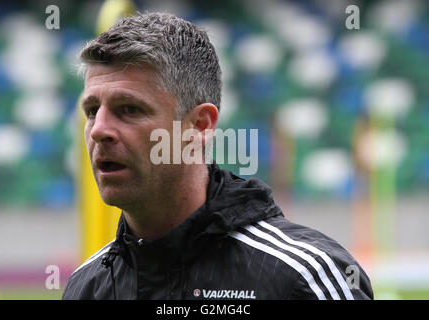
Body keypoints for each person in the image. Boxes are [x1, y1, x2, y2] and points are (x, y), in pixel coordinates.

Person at [62, 12, 373, 300]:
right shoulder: (85, 287)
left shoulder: (303, 278)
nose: (98, 129)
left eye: (129, 109)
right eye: (91, 111)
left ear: (199, 126)